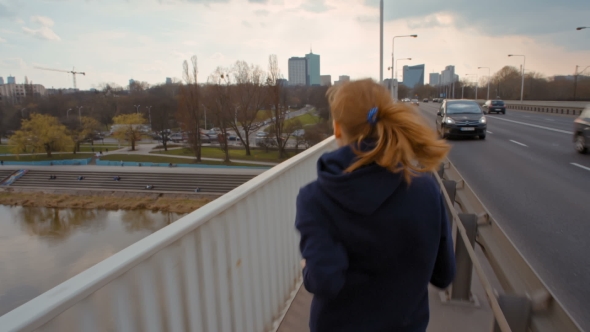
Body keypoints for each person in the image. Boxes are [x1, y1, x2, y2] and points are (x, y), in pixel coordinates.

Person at [295, 79, 456, 332]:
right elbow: (443, 274)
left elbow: (325, 280)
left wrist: (307, 269)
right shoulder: (426, 189)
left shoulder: (316, 198)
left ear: (337, 129)